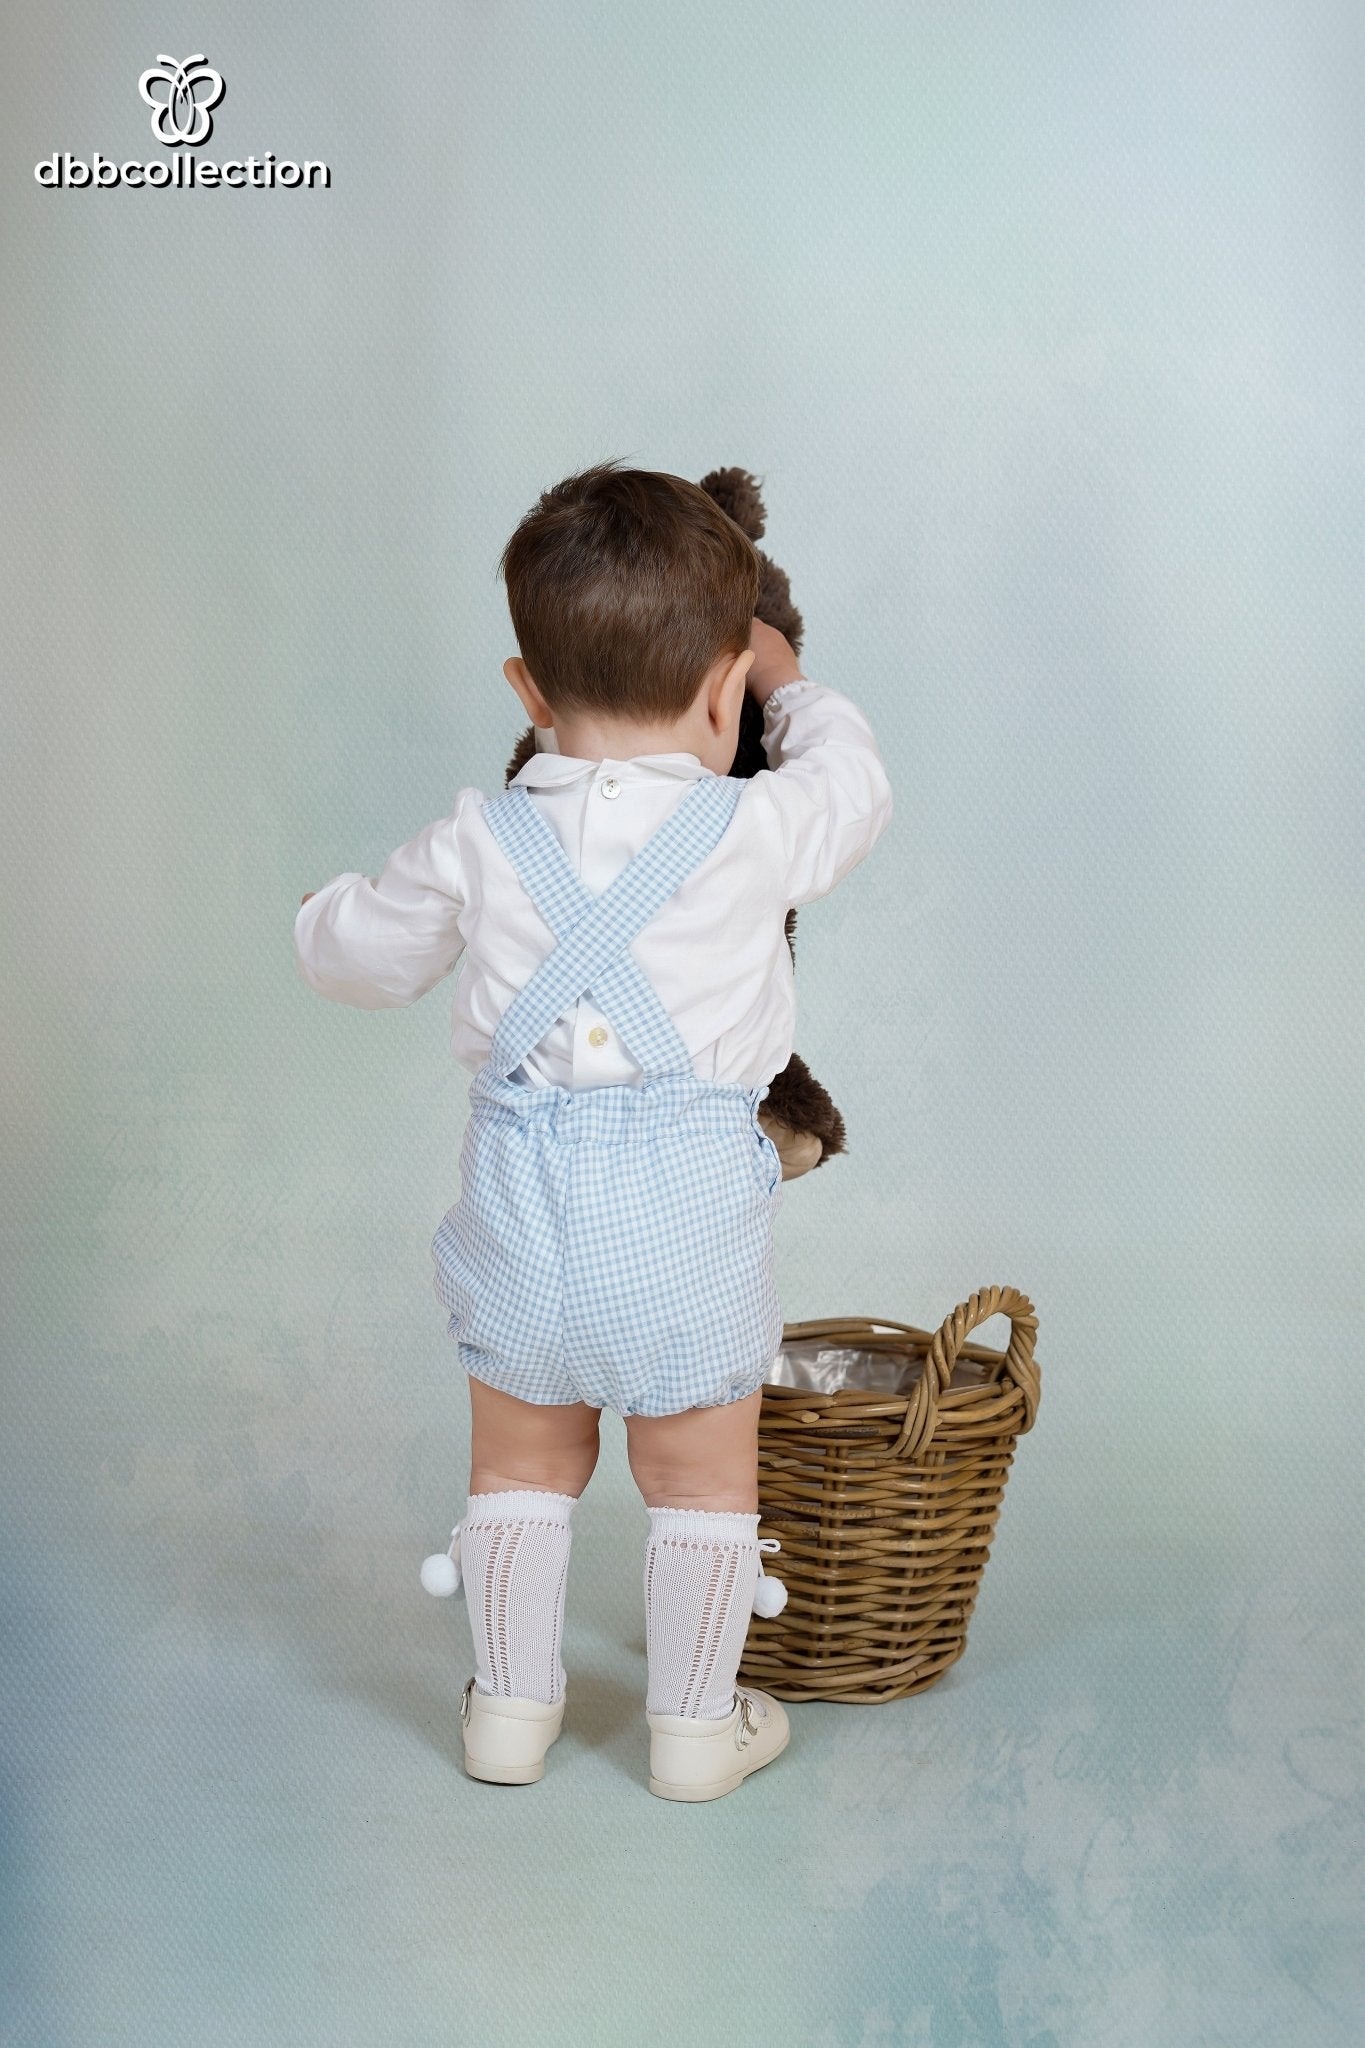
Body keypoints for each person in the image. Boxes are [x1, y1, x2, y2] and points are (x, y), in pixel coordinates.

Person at [294, 460, 893, 1800]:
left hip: (522, 1222)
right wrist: (791, 684)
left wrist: (321, 913)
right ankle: (694, 1732)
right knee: (699, 1483)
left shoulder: (477, 839)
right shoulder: (758, 829)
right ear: (727, 694)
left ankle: (509, 1715)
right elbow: (855, 782)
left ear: (528, 690)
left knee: (521, 1464)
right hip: (686, 1234)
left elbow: (353, 958)